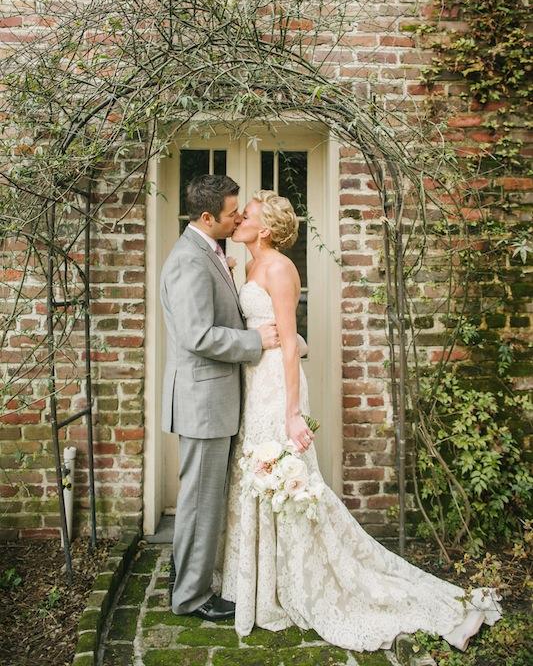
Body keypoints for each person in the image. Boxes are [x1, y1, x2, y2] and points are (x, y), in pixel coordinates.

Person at [214, 189, 502, 652]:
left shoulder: (281, 268)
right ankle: (262, 582)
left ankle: (311, 585)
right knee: (255, 478)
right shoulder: (247, 265)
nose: (239, 220)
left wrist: (292, 413)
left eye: (245, 215)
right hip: (253, 382)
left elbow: (290, 344)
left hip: (276, 387)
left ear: (264, 228)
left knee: (285, 480)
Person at [159, 175, 280, 621]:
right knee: (200, 500)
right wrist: (254, 341)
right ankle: (191, 597)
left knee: (200, 497)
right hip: (203, 401)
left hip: (208, 398)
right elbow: (197, 335)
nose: (238, 219)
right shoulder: (189, 261)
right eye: (232, 214)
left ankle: (184, 574)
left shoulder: (207, 252)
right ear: (207, 217)